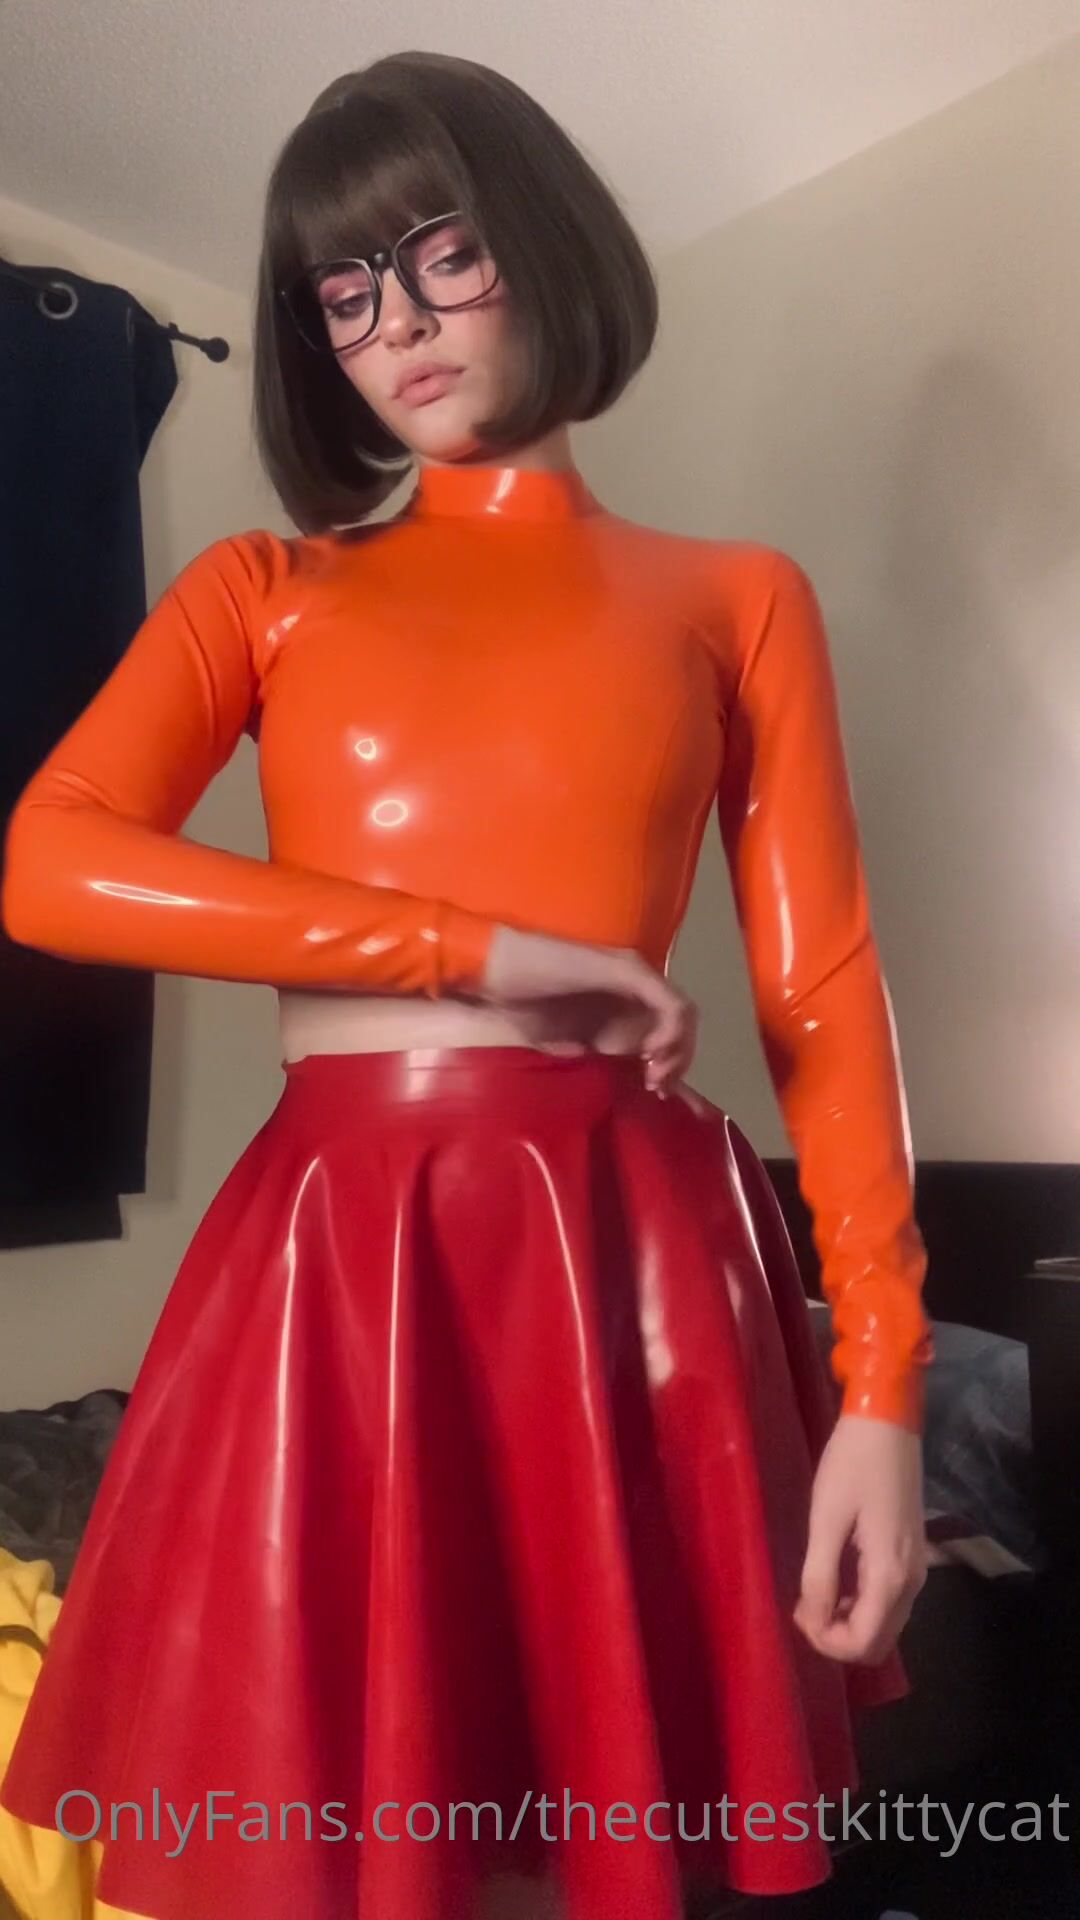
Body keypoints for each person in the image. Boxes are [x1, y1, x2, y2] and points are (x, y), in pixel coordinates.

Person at [0, 49, 931, 1920]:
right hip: (337, 1248)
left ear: (544, 243)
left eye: (440, 253)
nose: (396, 324)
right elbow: (51, 864)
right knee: (326, 1842)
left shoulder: (736, 596)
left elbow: (823, 994)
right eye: (343, 293)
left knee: (590, 1842)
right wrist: (476, 951)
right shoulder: (266, 588)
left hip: (635, 1247)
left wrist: (887, 1397)